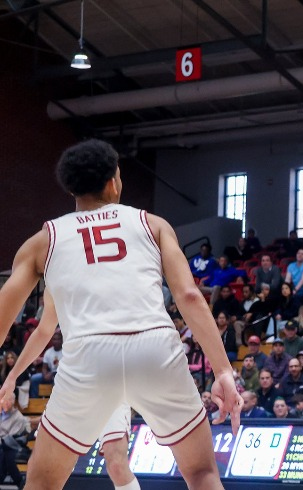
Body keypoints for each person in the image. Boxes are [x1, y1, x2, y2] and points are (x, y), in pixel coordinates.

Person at [0, 140, 243, 489]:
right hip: (155, 346)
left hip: (88, 355)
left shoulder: (43, 240)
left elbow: (4, 316)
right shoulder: (153, 224)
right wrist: (222, 370)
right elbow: (190, 295)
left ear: (71, 189)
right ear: (114, 182)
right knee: (202, 473)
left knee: (42, 483)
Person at [1, 293, 139, 490]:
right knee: (38, 472)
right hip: (73, 381)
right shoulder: (62, 278)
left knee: (117, 463)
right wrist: (13, 375)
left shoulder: (119, 282)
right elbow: (43, 332)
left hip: (113, 380)